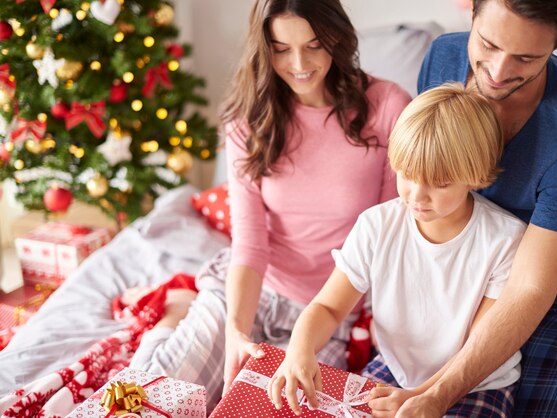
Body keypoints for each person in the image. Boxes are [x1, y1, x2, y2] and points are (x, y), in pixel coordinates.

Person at [128, 0, 411, 410]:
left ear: (337, 37)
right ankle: (177, 314)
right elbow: (250, 240)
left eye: (314, 45)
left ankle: (178, 314)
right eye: (281, 48)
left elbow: (389, 231)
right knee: (150, 400)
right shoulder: (248, 117)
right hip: (247, 293)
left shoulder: (387, 106)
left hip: (326, 314)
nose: (299, 63)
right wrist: (236, 332)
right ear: (264, 48)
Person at [377, 0, 557, 416]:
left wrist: (438, 394)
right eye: (488, 44)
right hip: (474, 260)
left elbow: (530, 289)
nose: (496, 70)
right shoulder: (442, 57)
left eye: (526, 58)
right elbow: (432, 171)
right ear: (471, 11)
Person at [269, 83, 527, 418]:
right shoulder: (377, 226)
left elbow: (476, 350)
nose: (417, 196)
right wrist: (299, 349)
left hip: (476, 382)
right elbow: (329, 307)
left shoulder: (505, 239)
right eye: (407, 174)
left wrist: (421, 397)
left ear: (475, 175)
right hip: (396, 369)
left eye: (440, 182)